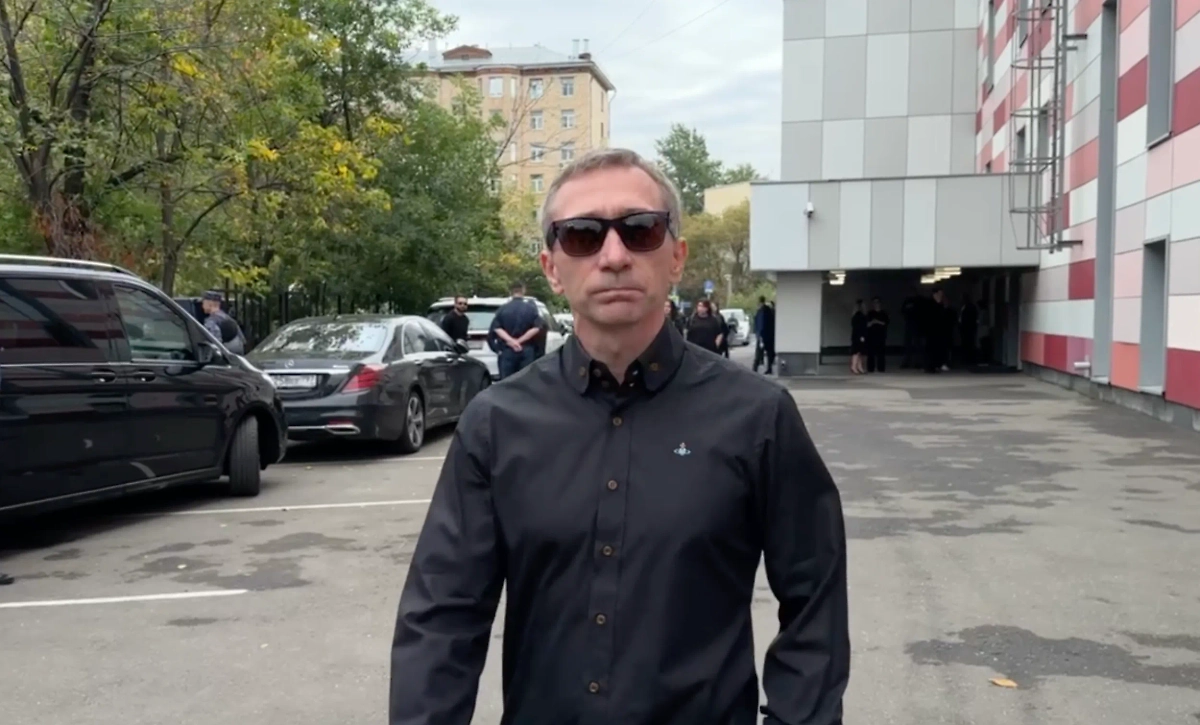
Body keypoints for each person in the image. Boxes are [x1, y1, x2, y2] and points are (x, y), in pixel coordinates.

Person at [389, 147, 849, 725]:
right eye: (582, 235)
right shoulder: (497, 423)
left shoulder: (757, 417)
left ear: (676, 256)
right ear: (552, 267)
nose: (613, 256)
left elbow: (814, 600)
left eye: (640, 230)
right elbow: (443, 616)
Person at [487, 281, 541, 379]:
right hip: (526, 350)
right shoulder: (531, 309)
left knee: (507, 382)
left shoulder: (503, 309)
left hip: (507, 350)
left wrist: (511, 341)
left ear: (510, 292)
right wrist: (519, 341)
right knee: (526, 381)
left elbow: (497, 328)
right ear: (523, 290)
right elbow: (536, 328)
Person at [753, 295, 776, 374]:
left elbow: (760, 324)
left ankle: (754, 369)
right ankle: (769, 368)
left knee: (758, 353)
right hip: (769, 335)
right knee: (769, 353)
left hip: (763, 336)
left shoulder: (761, 311)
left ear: (760, 302)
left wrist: (759, 335)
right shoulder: (768, 310)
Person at [865, 297, 889, 373]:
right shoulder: (870, 313)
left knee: (881, 352)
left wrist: (877, 321)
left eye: (877, 302)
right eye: (874, 302)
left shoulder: (884, 313)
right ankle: (870, 368)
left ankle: (881, 368)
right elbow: (867, 324)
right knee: (870, 353)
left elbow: (885, 323)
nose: (876, 304)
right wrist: (872, 322)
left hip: (881, 335)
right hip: (871, 336)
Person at [849, 299, 867, 374]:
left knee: (859, 352)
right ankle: (854, 366)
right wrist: (862, 336)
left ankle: (859, 367)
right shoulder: (860, 316)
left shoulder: (854, 316)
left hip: (855, 335)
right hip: (859, 336)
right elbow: (860, 327)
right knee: (857, 352)